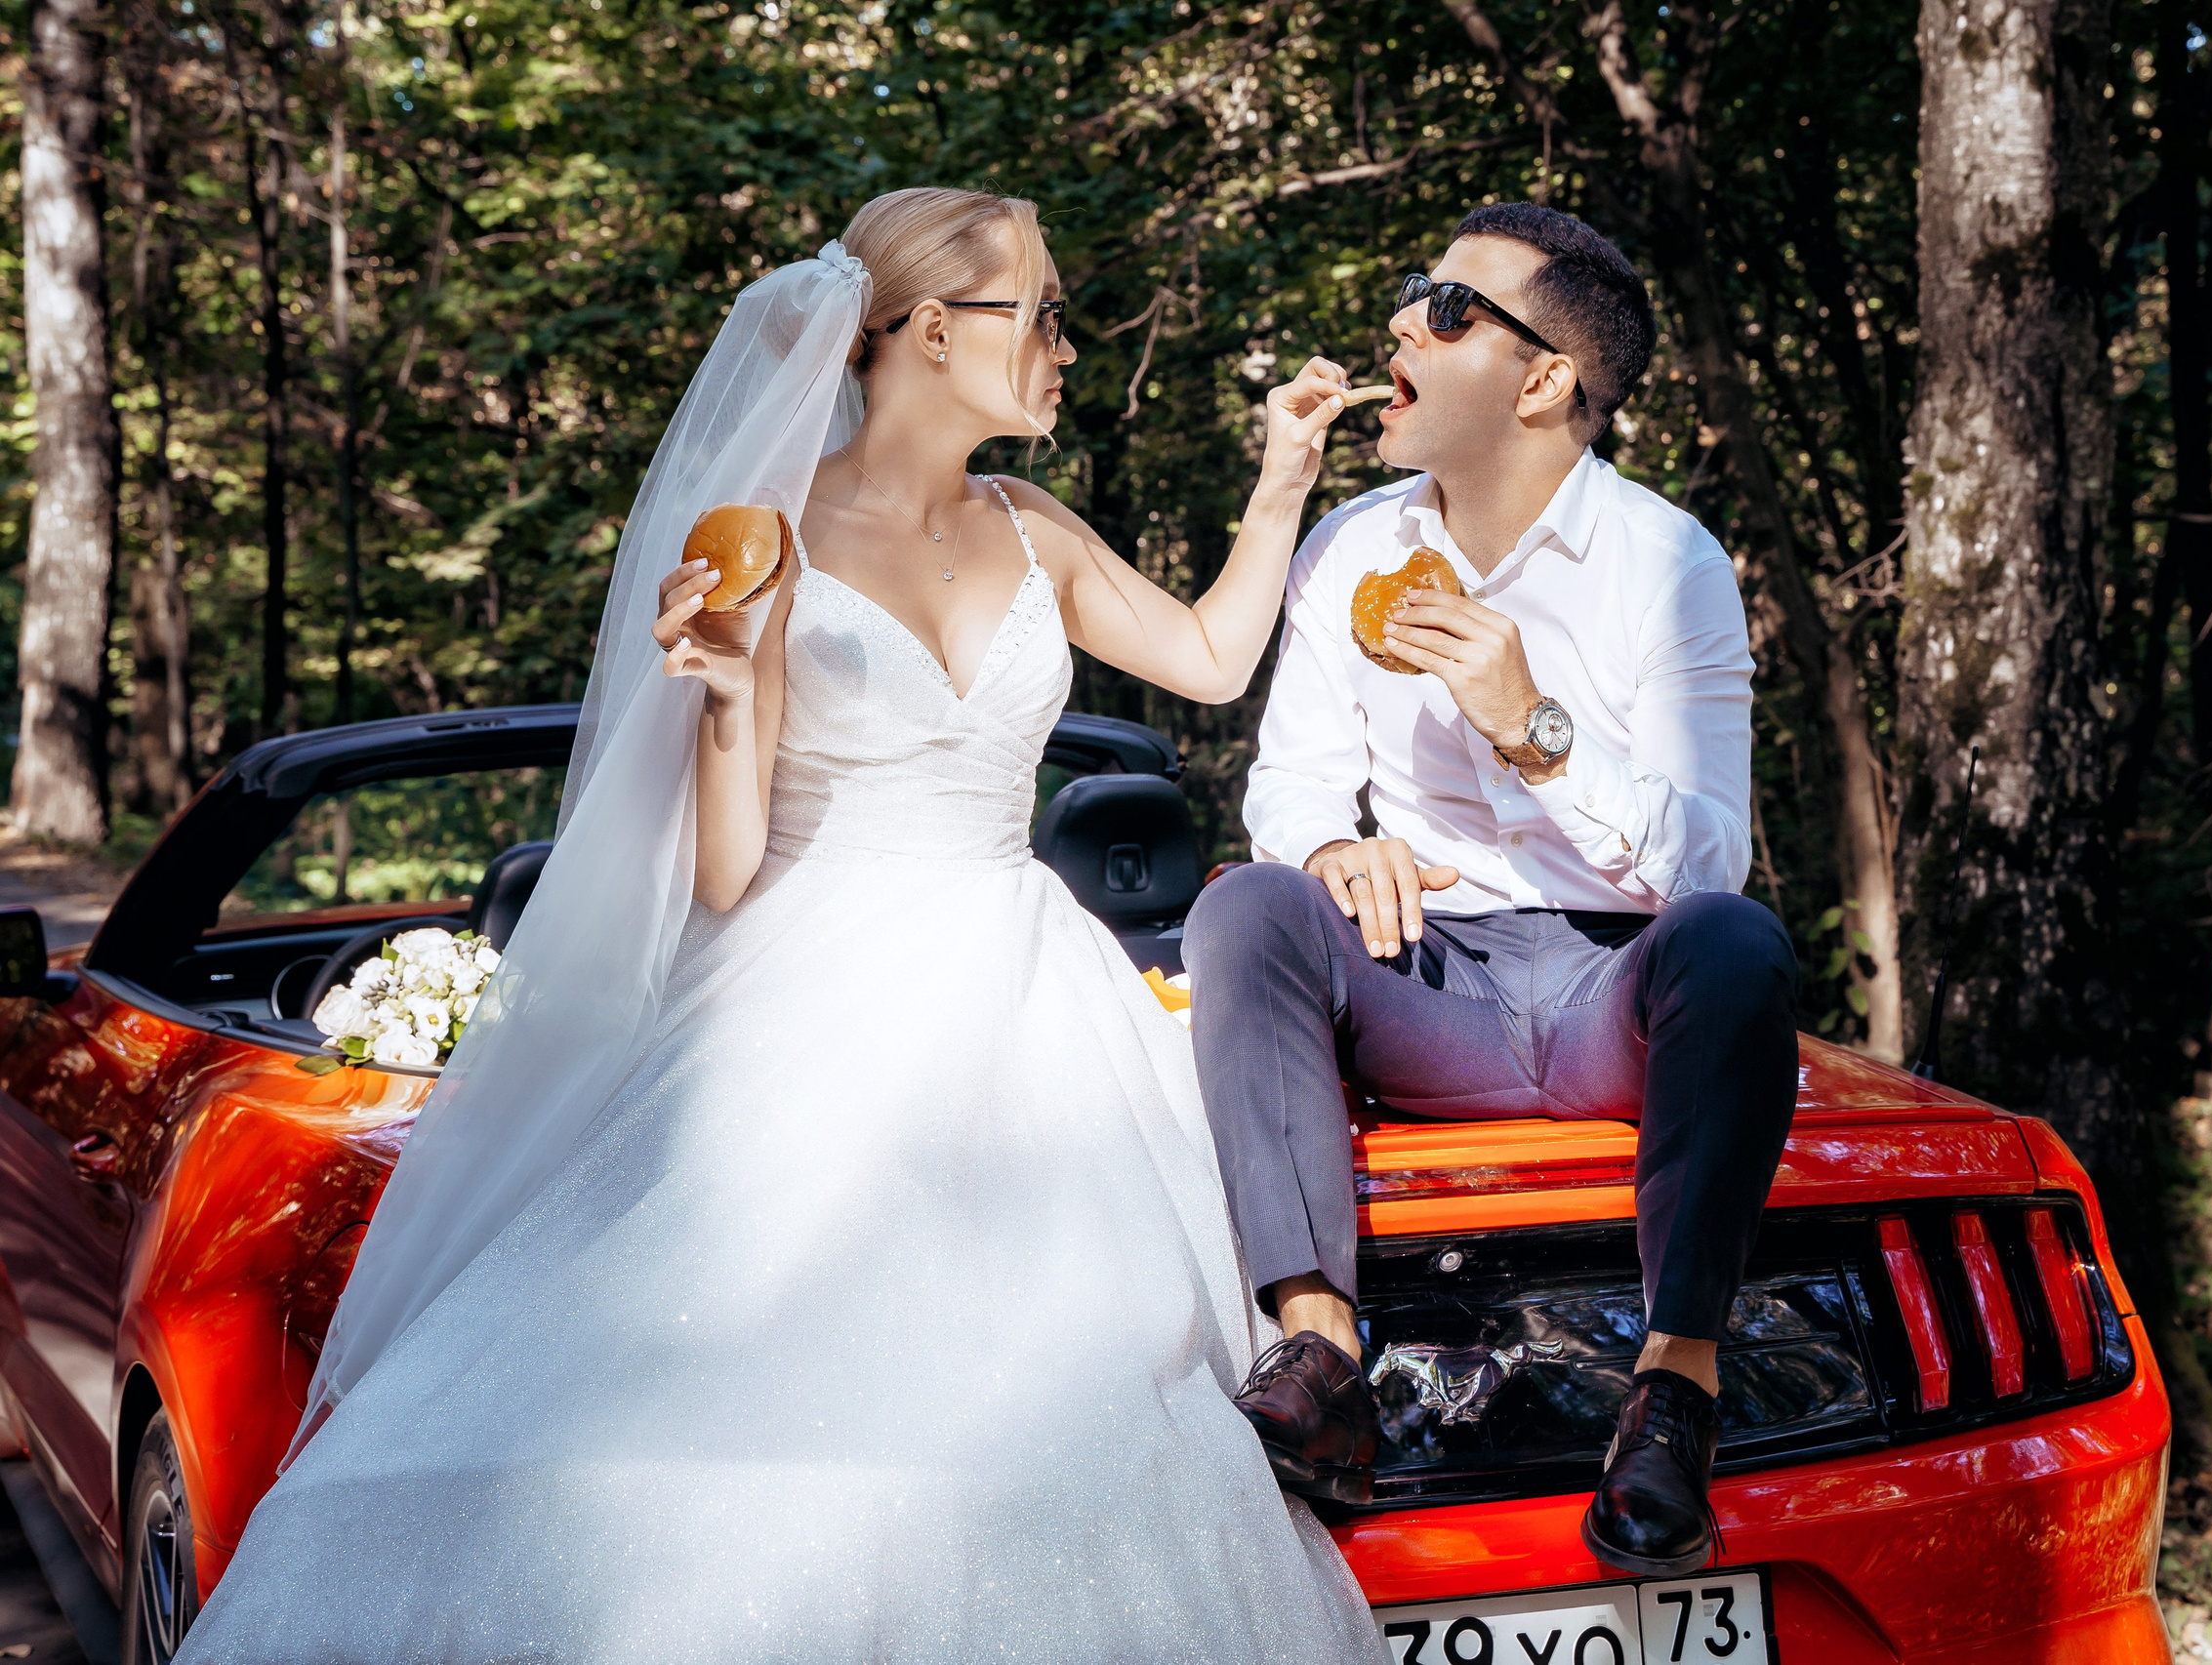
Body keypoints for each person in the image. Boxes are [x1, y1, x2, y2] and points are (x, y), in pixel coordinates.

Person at [176, 187, 1378, 1662]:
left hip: (1032, 1006)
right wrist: (727, 692)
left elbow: (1208, 654)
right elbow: (730, 869)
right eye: (1046, 314)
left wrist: (1283, 477)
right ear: (931, 331)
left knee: (1077, 1392)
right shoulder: (768, 531)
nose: (1068, 346)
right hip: (807, 998)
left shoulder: (1036, 527)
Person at [1182, 202, 1800, 1579]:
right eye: (1416, 293)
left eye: (1449, 307)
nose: (1403, 321)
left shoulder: (1669, 561)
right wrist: (1332, 853)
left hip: (1610, 992)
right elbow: (1291, 785)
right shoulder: (1350, 546)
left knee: (1737, 941)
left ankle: (1673, 1394)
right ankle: (1321, 1362)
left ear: (1543, 380)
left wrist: (1536, 727)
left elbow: (1711, 860)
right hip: (1424, 977)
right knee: (1246, 903)